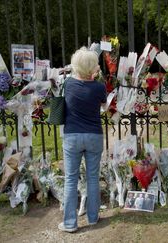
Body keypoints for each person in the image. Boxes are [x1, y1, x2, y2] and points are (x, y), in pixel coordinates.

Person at [58, 47, 106, 233]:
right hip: (94, 134)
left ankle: (70, 223)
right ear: (93, 67)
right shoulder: (99, 87)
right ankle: (93, 217)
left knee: (71, 179)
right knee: (92, 177)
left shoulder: (68, 84)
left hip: (72, 136)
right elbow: (103, 104)